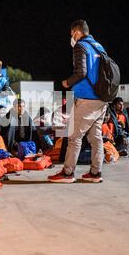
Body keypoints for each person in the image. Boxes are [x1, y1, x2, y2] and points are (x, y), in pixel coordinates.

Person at [48, 19, 107, 183]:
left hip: (87, 98)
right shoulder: (99, 47)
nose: (71, 38)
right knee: (96, 137)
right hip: (102, 100)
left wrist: (68, 82)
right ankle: (96, 173)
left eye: (72, 34)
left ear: (77, 32)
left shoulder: (81, 46)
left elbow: (81, 72)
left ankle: (67, 173)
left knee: (74, 137)